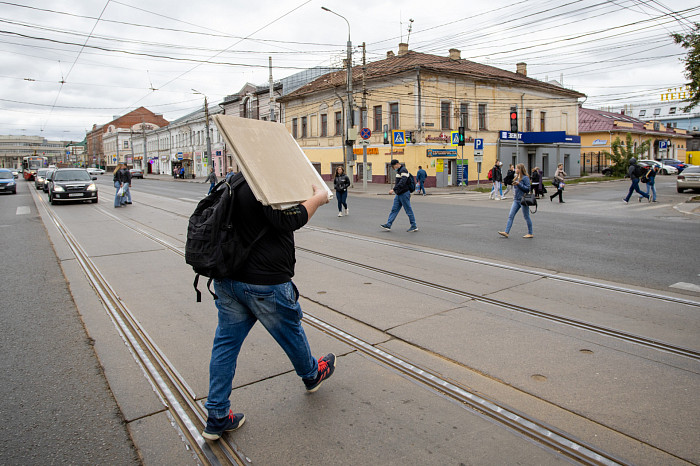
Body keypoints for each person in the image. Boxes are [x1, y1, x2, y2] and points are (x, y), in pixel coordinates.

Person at [202, 177, 336, 441]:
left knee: (225, 345)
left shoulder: (233, 181)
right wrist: (318, 198)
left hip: (228, 278)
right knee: (291, 333)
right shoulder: (263, 181)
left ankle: (216, 415)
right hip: (264, 283)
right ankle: (312, 375)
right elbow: (287, 220)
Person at [380, 159, 418, 232]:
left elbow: (403, 182)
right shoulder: (399, 171)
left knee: (408, 210)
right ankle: (388, 224)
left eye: (394, 166)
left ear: (397, 164)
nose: (394, 168)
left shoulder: (403, 170)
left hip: (404, 193)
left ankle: (414, 225)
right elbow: (399, 182)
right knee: (394, 209)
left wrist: (393, 189)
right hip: (399, 194)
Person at [498, 163, 533, 239]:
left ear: (520, 169)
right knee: (511, 215)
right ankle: (506, 232)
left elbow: (528, 189)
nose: (515, 169)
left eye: (517, 168)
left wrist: (519, 184)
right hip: (516, 200)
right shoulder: (516, 177)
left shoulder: (525, 178)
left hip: (523, 200)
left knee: (526, 216)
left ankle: (530, 233)